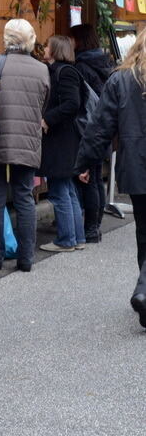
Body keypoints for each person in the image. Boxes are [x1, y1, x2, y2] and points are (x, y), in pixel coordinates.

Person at [74, 28, 146, 329]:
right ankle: (144, 290)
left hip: (137, 166)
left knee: (144, 233)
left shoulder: (122, 79)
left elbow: (99, 126)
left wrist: (86, 162)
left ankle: (144, 293)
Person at [0, 20, 49, 272]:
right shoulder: (41, 69)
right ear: (31, 39)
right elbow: (44, 104)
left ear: (6, 38)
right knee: (25, 197)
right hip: (26, 141)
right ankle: (26, 258)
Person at [38, 35, 86, 252]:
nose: (44, 48)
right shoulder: (68, 71)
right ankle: (78, 237)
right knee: (68, 188)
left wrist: (48, 118)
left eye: (47, 45)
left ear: (55, 49)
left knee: (58, 189)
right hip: (67, 138)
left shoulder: (64, 72)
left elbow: (72, 103)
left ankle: (67, 239)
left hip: (60, 139)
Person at [69, 23, 114, 243]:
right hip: (105, 126)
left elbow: (81, 102)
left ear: (79, 41)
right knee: (96, 178)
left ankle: (90, 228)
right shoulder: (104, 62)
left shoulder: (81, 66)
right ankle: (95, 225)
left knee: (88, 179)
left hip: (87, 127)